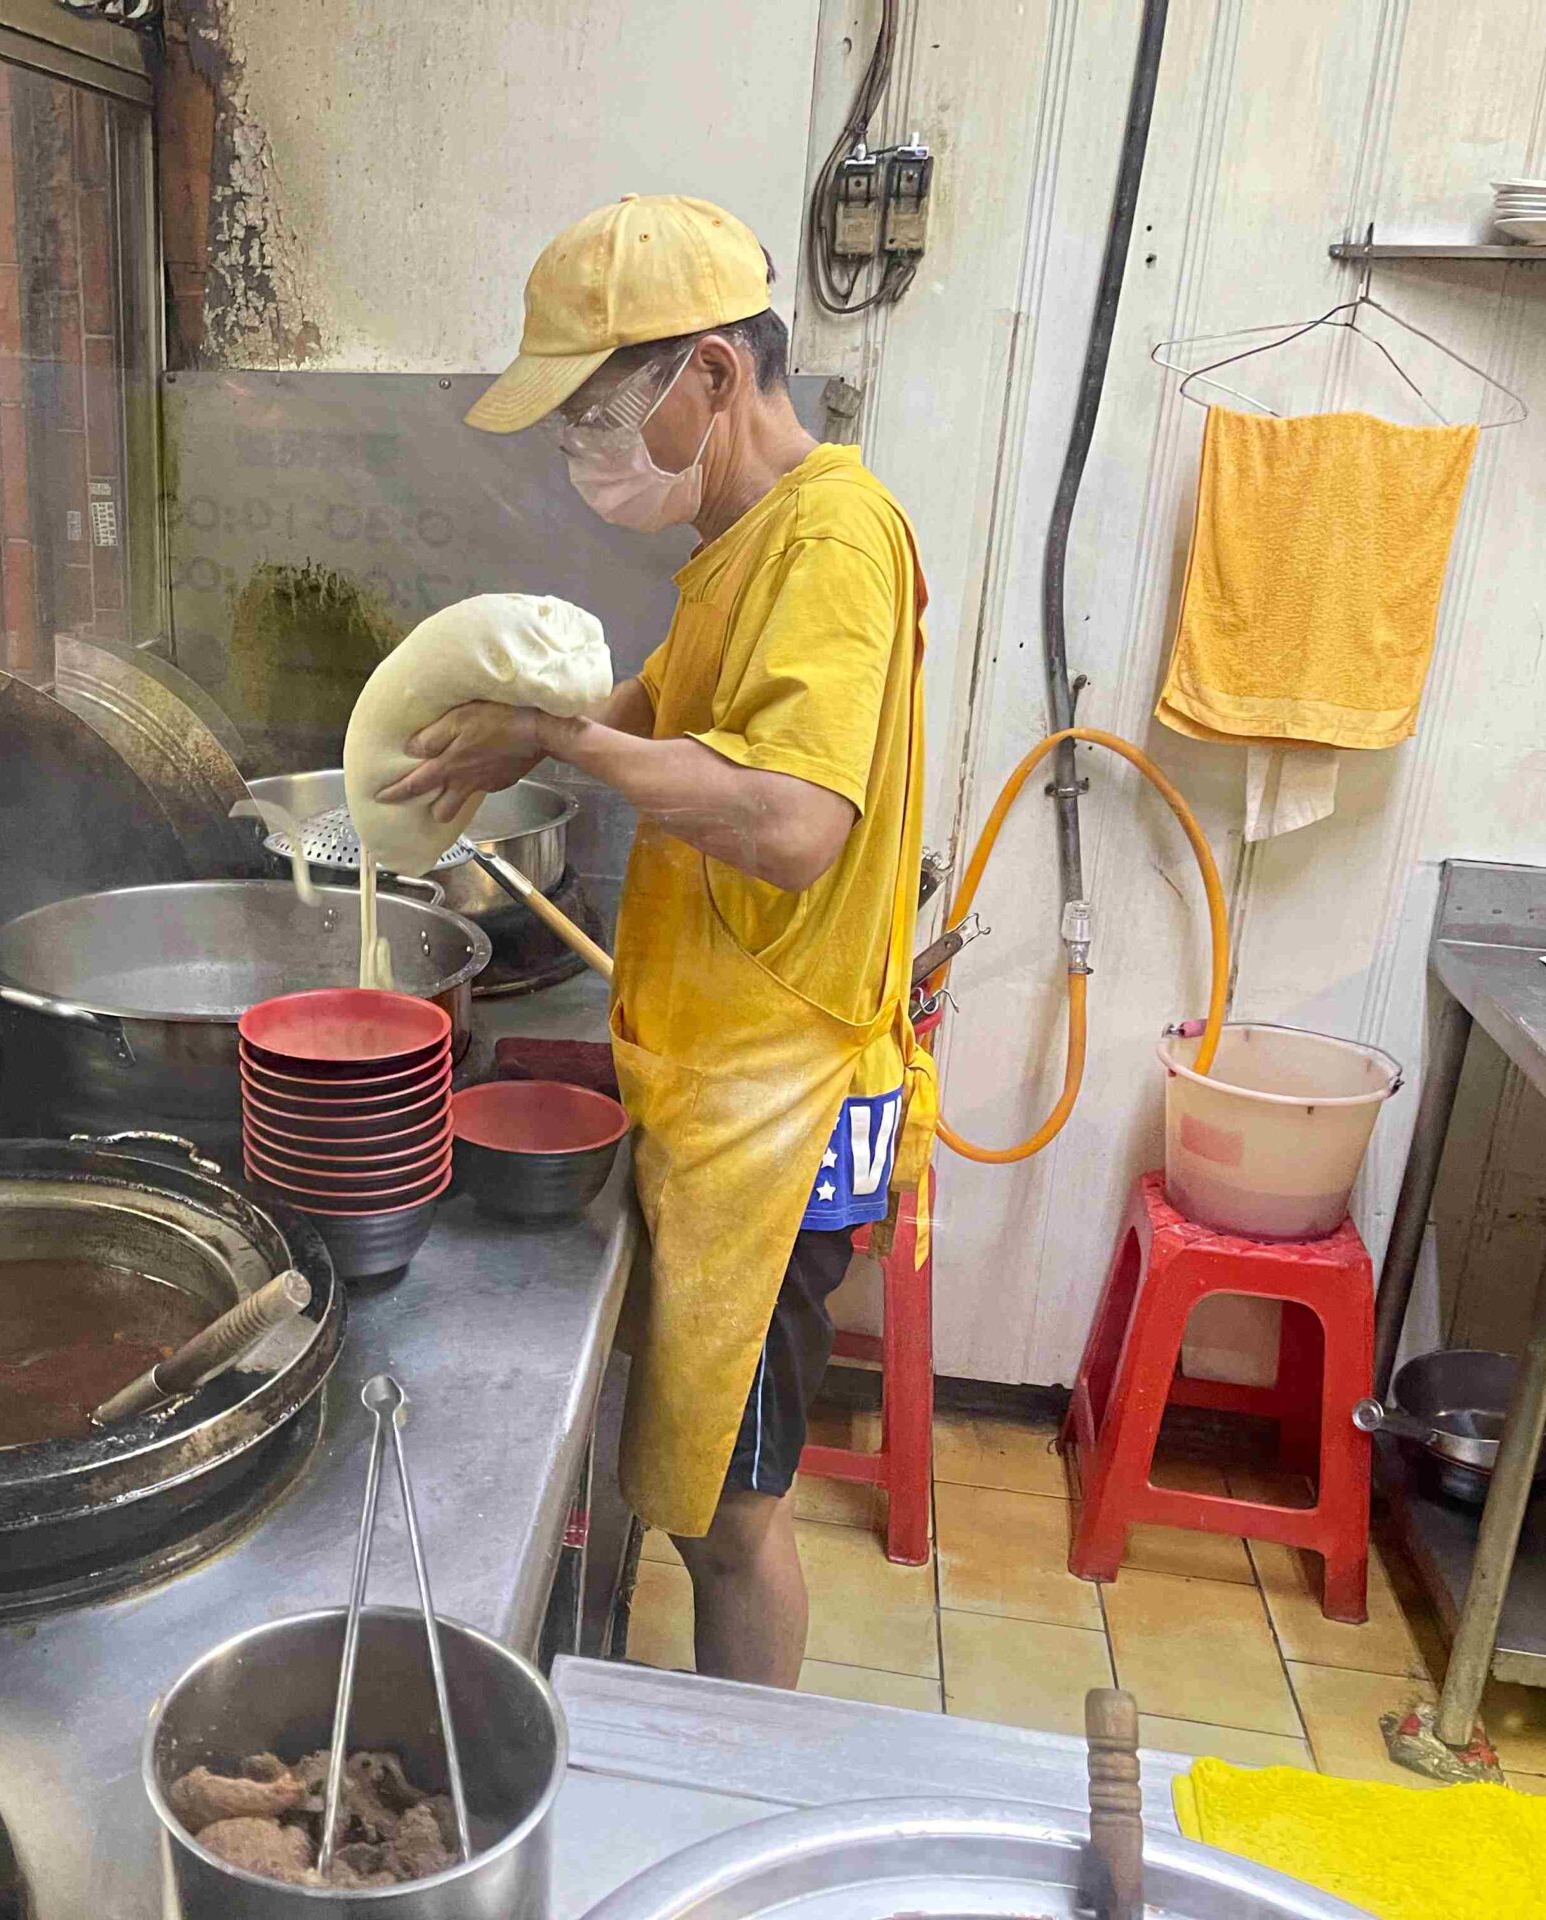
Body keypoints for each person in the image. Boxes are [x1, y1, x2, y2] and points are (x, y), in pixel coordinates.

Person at [378, 195, 935, 1688]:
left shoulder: (834, 541)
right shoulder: (744, 542)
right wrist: (527, 746)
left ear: (710, 373)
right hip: (721, 1085)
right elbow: (674, 710)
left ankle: (735, 1797)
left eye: (600, 409)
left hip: (780, 1113)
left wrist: (557, 735)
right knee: (712, 1502)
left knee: (736, 1524)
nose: (585, 451)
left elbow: (794, 819)